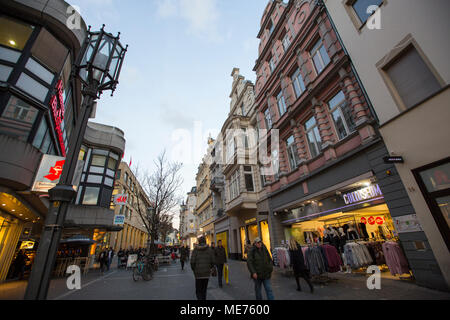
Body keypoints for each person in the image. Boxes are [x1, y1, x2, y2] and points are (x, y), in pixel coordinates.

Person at [190, 236, 215, 300]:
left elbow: (192, 262)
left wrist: (194, 270)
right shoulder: (209, 249)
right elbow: (213, 261)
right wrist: (210, 268)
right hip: (206, 273)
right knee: (204, 290)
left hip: (198, 274)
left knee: (198, 290)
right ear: (205, 241)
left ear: (199, 242)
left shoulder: (195, 250)